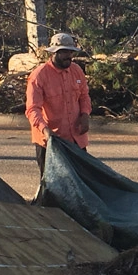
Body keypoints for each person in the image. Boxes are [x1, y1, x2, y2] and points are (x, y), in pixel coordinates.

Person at [26, 32, 92, 176]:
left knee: (84, 180)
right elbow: (32, 109)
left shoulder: (76, 70)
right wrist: (45, 130)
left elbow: (84, 96)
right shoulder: (39, 76)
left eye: (70, 52)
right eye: (63, 52)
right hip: (50, 141)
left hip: (76, 138)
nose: (68, 56)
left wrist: (85, 114)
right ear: (53, 53)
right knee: (53, 184)